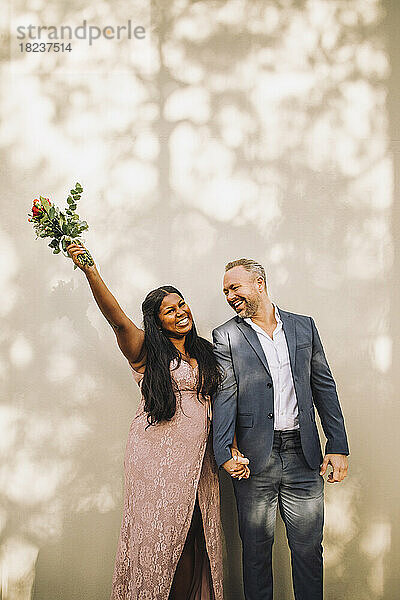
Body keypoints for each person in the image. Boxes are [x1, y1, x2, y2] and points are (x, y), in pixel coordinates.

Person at [66, 243, 248, 600]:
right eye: (170, 310)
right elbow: (116, 317)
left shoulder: (205, 351)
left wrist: (233, 449)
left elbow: (221, 406)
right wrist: (90, 270)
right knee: (161, 539)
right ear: (157, 320)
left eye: (182, 304)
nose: (181, 312)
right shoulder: (146, 350)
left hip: (199, 462)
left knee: (196, 534)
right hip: (155, 463)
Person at [212, 258, 349, 600]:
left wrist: (338, 445)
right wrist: (224, 449)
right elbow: (225, 395)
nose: (230, 295)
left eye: (235, 287)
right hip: (254, 460)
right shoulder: (226, 335)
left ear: (259, 284)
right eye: (226, 291)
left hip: (304, 457)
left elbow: (324, 386)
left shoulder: (304, 327)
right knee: (256, 553)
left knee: (307, 552)